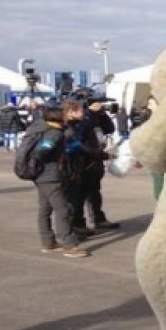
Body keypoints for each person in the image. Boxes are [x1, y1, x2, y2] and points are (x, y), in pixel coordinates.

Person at [31, 105, 89, 258]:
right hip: (50, 177)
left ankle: (48, 242)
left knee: (45, 210)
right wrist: (53, 163)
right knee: (63, 209)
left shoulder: (43, 130)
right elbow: (41, 152)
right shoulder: (55, 134)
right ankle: (69, 245)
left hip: (41, 176)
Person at [63, 100, 118, 237]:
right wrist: (91, 113)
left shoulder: (90, 118)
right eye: (81, 110)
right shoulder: (71, 124)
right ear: (70, 112)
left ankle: (98, 218)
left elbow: (109, 129)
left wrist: (102, 114)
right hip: (81, 162)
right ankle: (78, 224)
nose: (83, 112)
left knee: (94, 192)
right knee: (78, 196)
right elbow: (81, 134)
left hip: (94, 161)